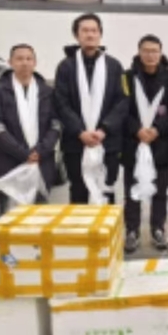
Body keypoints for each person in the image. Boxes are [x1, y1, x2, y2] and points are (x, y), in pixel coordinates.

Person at [0, 44, 61, 219]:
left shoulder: (47, 91)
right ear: (10, 62)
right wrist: (23, 153)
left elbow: (55, 124)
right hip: (7, 162)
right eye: (19, 59)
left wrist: (40, 151)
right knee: (9, 217)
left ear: (35, 63)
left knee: (39, 215)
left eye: (29, 59)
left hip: (40, 162)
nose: (24, 63)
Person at [54, 13, 128, 204]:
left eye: (94, 30)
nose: (90, 35)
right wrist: (80, 131)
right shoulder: (66, 67)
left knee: (106, 189)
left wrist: (104, 129)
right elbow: (61, 103)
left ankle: (105, 225)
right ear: (76, 35)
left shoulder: (114, 66)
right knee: (78, 191)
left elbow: (123, 101)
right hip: (75, 143)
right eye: (85, 30)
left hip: (107, 142)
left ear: (100, 34)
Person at [121, 35, 168, 253]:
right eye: (146, 51)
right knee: (132, 191)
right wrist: (137, 129)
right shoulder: (127, 78)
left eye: (154, 51)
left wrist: (157, 129)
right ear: (139, 52)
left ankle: (158, 228)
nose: (150, 55)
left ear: (160, 52)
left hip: (161, 143)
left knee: (160, 191)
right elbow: (122, 108)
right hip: (133, 142)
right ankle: (132, 230)